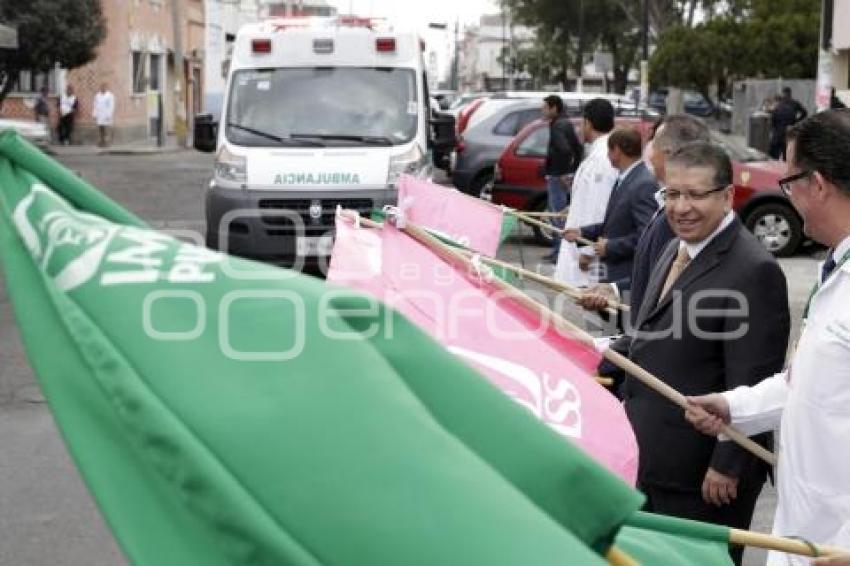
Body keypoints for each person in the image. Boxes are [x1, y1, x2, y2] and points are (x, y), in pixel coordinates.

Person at [685, 109, 850, 566]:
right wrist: (733, 407)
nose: (787, 194)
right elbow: (809, 386)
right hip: (804, 533)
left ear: (817, 184)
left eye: (789, 180)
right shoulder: (836, 268)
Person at [625, 141, 790, 566]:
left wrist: (728, 463)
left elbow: (755, 378)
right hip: (653, 462)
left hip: (703, 478)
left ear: (727, 196)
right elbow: (657, 336)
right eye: (673, 194)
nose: (681, 207)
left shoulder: (753, 270)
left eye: (696, 194)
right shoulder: (675, 247)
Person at [563, 127, 658, 290]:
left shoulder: (643, 184)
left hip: (627, 275)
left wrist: (611, 247)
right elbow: (614, 223)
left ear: (617, 151)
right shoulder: (624, 179)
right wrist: (582, 233)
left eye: (609, 150)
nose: (607, 155)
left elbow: (647, 236)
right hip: (613, 272)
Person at [554, 98, 617, 285]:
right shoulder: (599, 153)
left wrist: (587, 251)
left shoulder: (602, 158)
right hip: (581, 244)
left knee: (590, 305)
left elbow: (600, 207)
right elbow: (588, 199)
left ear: (588, 123)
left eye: (582, 123)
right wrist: (572, 209)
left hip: (587, 252)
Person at [541, 94, 583, 262]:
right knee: (561, 214)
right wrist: (573, 170)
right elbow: (577, 148)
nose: (542, 110)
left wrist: (563, 172)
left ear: (554, 108)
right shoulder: (565, 122)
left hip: (557, 175)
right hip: (563, 174)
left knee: (557, 215)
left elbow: (565, 149)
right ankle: (558, 250)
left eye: (545, 107)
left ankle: (559, 252)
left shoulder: (558, 125)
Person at [769, 87, 808, 160]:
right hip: (789, 132)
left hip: (778, 134)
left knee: (774, 155)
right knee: (786, 154)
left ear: (783, 93)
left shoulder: (779, 105)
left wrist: (773, 129)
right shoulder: (794, 103)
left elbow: (773, 121)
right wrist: (796, 121)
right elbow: (804, 113)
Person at [93, 83, 115, 147]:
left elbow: (111, 106)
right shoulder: (97, 95)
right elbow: (95, 105)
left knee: (106, 129)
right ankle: (102, 141)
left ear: (106, 88)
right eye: (101, 87)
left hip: (106, 114)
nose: (102, 89)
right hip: (100, 114)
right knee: (101, 128)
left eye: (104, 87)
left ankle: (107, 142)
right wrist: (94, 114)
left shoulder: (110, 95)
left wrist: (109, 114)